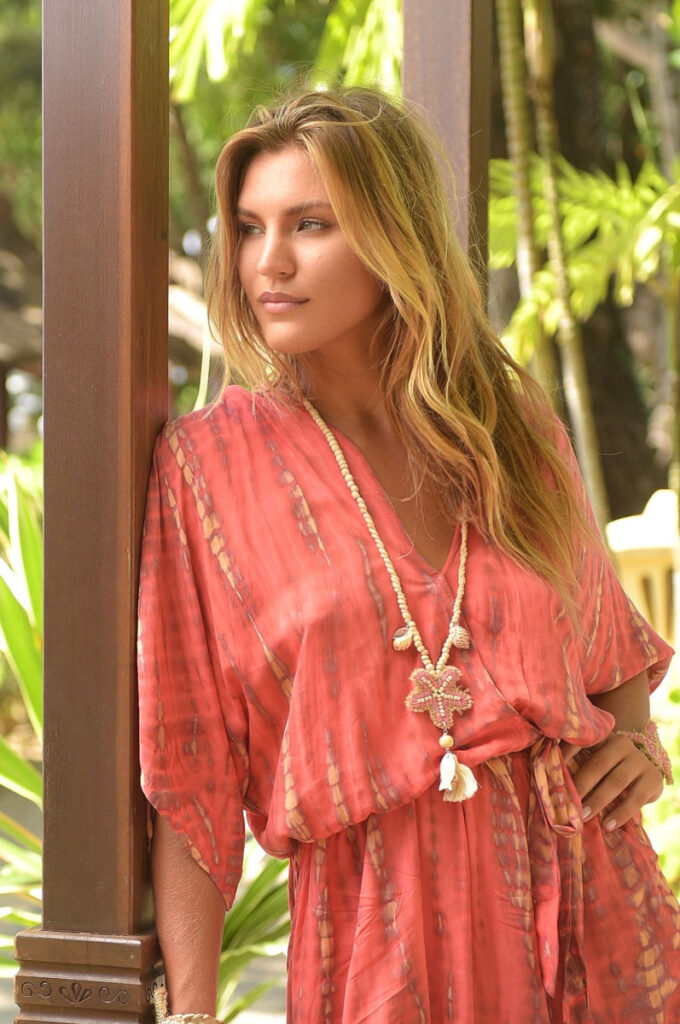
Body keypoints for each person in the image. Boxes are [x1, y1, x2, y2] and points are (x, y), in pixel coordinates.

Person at [137, 86, 679, 1024]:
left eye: (310, 224)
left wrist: (640, 745)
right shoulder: (208, 467)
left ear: (395, 236)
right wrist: (189, 1014)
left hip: (590, 917)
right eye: (248, 228)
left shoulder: (507, 425)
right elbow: (189, 777)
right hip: (374, 944)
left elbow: (605, 640)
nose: (268, 262)